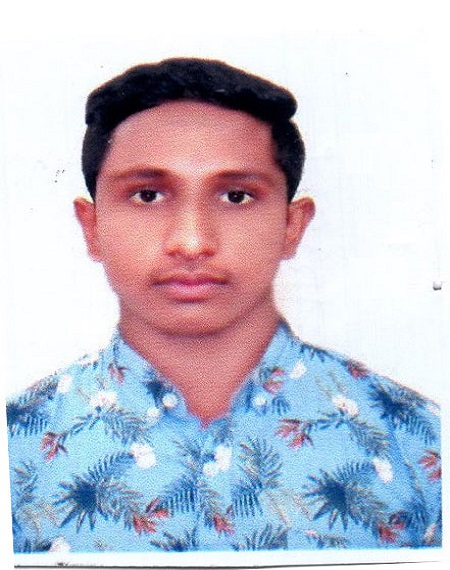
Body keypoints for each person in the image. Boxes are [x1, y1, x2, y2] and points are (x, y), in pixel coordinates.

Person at [6, 58, 441, 554]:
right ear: (92, 227)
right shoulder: (17, 447)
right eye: (147, 195)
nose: (192, 243)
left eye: (236, 196)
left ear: (292, 226)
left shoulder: (421, 444)